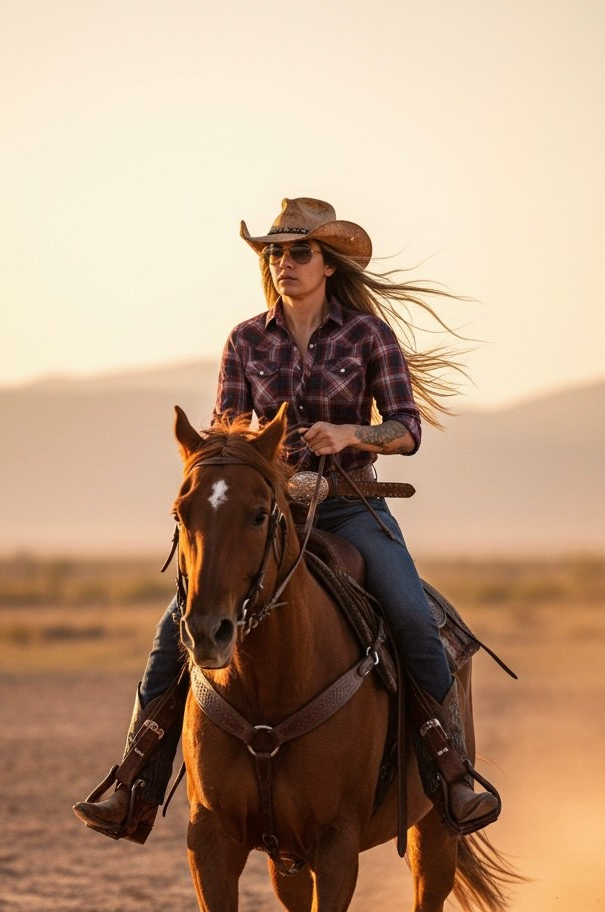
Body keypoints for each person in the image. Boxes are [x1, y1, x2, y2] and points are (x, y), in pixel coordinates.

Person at [73, 197, 500, 843]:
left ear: (328, 264)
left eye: (299, 251)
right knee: (175, 629)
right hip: (263, 515)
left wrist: (353, 433)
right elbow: (227, 432)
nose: (284, 262)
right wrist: (252, 469)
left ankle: (452, 773)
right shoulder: (246, 339)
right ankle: (133, 782)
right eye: (275, 252)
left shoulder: (368, 336)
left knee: (414, 617)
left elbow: (407, 430)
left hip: (352, 507)